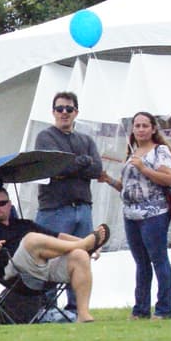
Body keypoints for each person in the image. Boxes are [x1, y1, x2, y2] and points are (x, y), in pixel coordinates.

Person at [0, 187, 109, 323]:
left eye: (1, 203)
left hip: (40, 269)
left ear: (10, 205)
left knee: (80, 256)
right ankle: (83, 245)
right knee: (31, 239)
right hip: (14, 273)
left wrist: (88, 244)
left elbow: (58, 236)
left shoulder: (24, 224)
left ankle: (83, 314)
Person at [102, 111, 171, 320]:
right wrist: (109, 180)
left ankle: (164, 309)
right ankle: (141, 309)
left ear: (153, 129)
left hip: (154, 213)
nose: (141, 129)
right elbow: (128, 187)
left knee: (158, 259)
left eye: (145, 125)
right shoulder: (132, 153)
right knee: (141, 262)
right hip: (131, 214)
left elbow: (168, 179)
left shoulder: (160, 151)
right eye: (137, 126)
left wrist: (144, 168)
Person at [35, 92, 103, 311]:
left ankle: (77, 308)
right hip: (54, 209)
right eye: (60, 109)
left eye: (69, 109)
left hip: (82, 208)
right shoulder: (45, 137)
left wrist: (71, 166)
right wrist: (80, 163)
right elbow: (53, 166)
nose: (64, 113)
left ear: (76, 112)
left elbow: (96, 169)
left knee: (82, 256)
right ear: (53, 112)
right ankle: (48, 308)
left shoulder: (86, 139)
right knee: (49, 257)